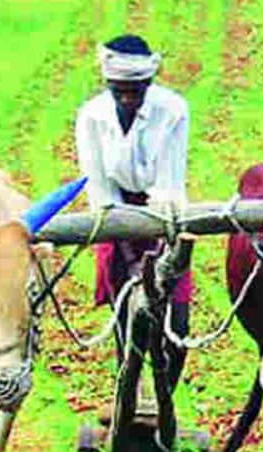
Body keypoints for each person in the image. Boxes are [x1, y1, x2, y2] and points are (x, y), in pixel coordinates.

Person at [74, 33, 192, 392]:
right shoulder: (92, 116)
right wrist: (126, 250)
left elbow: (169, 183)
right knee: (125, 314)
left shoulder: (172, 110)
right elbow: (99, 186)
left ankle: (164, 396)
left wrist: (159, 253)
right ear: (109, 83)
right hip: (114, 215)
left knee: (178, 321)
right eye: (119, 89)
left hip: (163, 214)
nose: (128, 97)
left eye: (136, 89)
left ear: (149, 82)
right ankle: (127, 389)